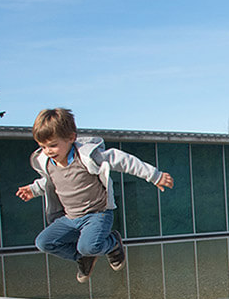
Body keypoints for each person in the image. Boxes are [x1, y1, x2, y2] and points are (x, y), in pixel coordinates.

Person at [16, 108, 174, 283]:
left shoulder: (87, 156)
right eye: (42, 147)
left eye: (53, 145)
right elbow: (48, 182)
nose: (48, 151)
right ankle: (83, 258)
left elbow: (123, 160)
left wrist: (154, 176)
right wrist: (33, 190)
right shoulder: (48, 164)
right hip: (70, 218)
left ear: (71, 138)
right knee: (44, 242)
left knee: (89, 246)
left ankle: (113, 243)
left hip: (97, 214)